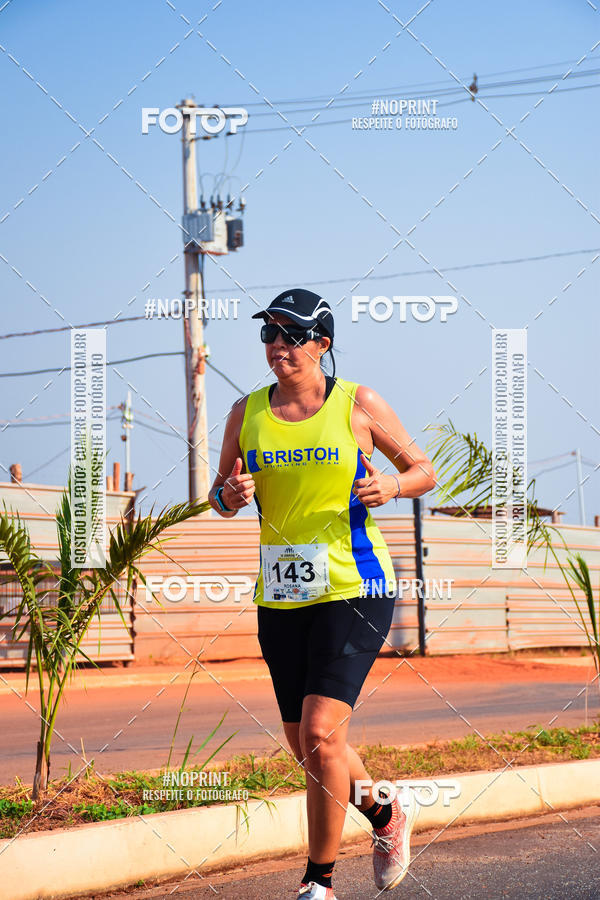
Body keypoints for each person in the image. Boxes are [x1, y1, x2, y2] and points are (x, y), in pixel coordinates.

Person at [209, 288, 436, 899]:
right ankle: (387, 815)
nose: (278, 345)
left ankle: (319, 883)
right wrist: (229, 497)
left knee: (317, 731)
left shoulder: (357, 402)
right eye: (269, 334)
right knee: (312, 748)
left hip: (356, 584)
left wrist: (392, 483)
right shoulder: (245, 412)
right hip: (282, 595)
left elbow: (423, 470)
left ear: (323, 344)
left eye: (292, 334)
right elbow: (219, 495)